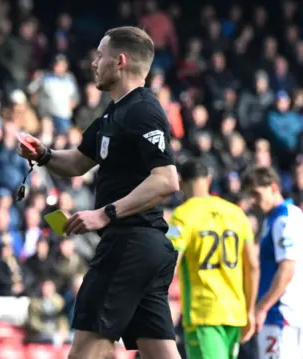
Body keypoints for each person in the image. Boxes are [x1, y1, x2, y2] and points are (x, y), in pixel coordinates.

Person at [17, 26, 181, 359]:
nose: (93, 63)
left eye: (100, 55)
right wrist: (44, 155)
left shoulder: (143, 110)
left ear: (119, 62)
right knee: (159, 352)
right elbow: (78, 162)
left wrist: (104, 213)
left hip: (129, 244)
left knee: (87, 352)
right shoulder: (113, 113)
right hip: (143, 248)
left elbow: (166, 179)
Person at [167, 159, 259, 358]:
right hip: (235, 312)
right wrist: (250, 310)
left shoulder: (182, 215)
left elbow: (169, 262)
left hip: (203, 313)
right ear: (208, 179)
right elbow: (252, 265)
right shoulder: (236, 213)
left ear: (180, 183)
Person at [240, 167, 303, 359]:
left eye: (256, 194)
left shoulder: (283, 220)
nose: (253, 201)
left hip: (280, 315)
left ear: (274, 187)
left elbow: (287, 267)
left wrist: (262, 308)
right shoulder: (282, 217)